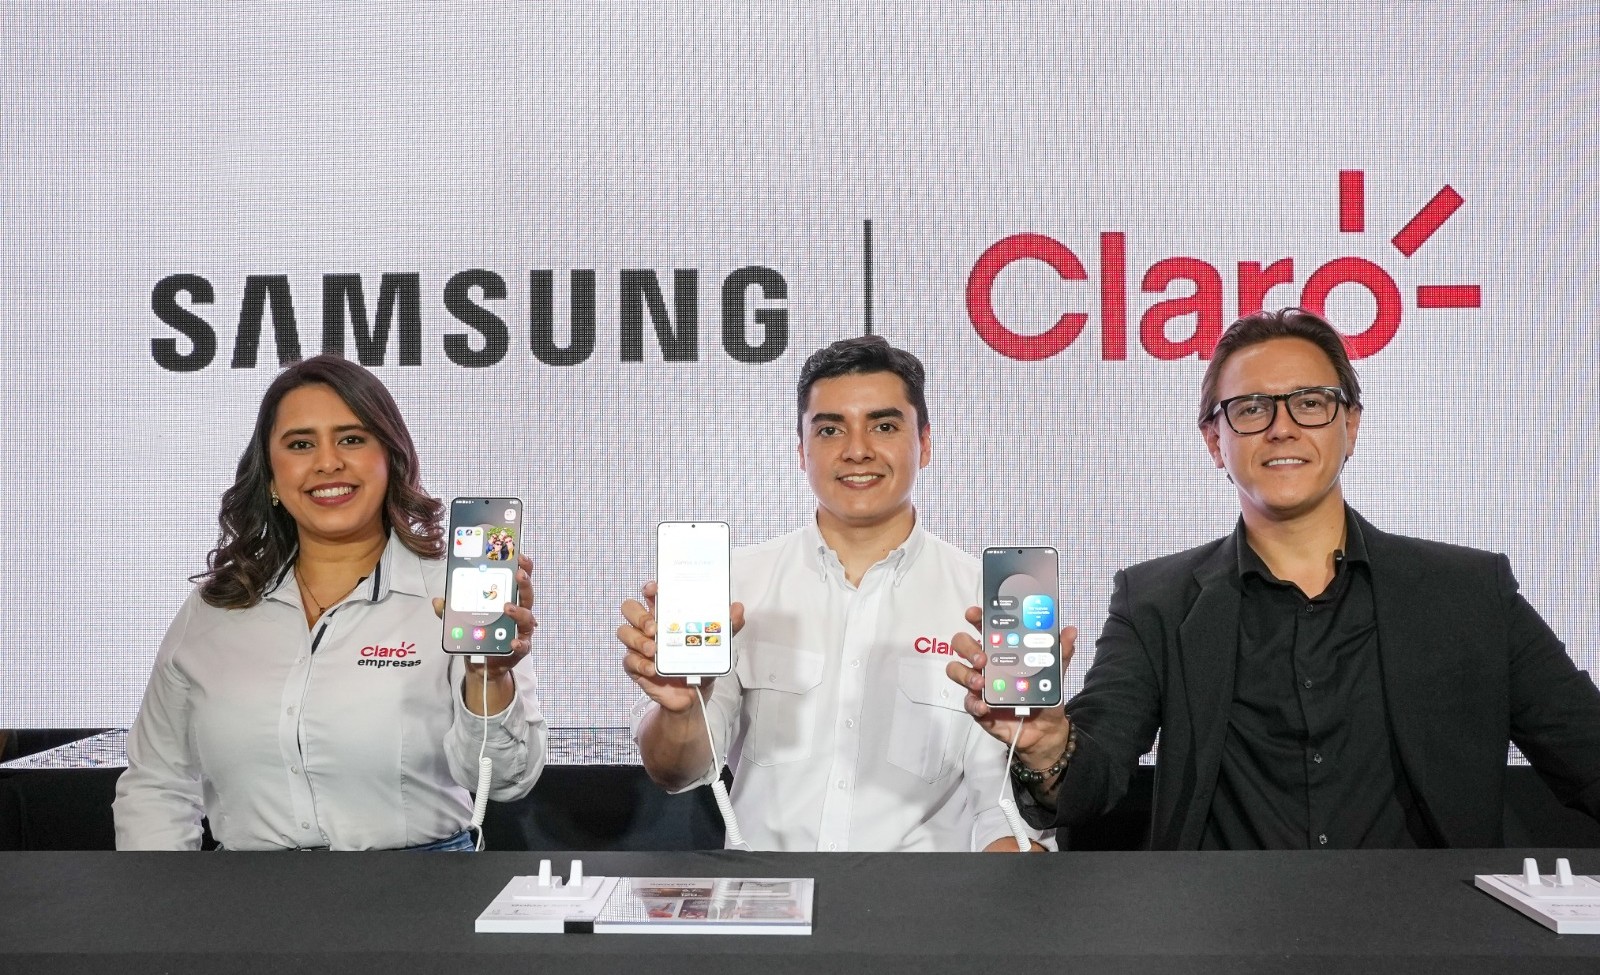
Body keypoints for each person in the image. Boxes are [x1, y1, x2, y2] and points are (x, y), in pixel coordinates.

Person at [947, 308, 1600, 849]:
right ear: (1215, 441)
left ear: (1351, 426)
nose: (1283, 427)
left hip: (1435, 935)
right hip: (1222, 937)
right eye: (1252, 408)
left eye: (1311, 403)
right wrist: (1048, 747)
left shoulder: (1469, 592)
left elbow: (1586, 753)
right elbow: (1093, 778)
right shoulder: (1156, 601)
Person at [619, 336, 1047, 852]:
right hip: (767, 896)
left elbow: (1002, 808)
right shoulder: (736, 588)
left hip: (923, 899)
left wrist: (1002, 891)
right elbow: (679, 770)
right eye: (830, 429)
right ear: (801, 451)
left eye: (884, 426)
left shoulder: (988, 599)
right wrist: (679, 710)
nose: (857, 449)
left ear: (925, 443)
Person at [114, 355, 547, 851]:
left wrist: (489, 679)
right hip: (241, 892)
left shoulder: (452, 595)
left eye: (352, 439)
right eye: (301, 444)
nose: (327, 462)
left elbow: (506, 781)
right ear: (271, 477)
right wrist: (163, 895)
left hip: (420, 887)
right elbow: (156, 783)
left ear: (391, 459)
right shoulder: (215, 607)